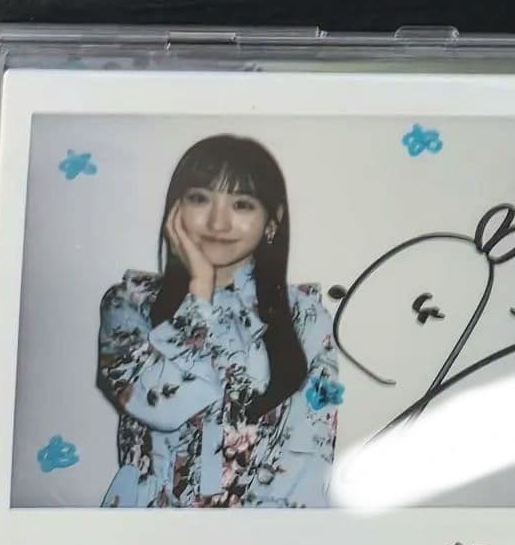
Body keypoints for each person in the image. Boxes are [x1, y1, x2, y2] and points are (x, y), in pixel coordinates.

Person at [97, 135, 339, 508]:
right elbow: (163, 407)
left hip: (263, 528)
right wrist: (199, 292)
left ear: (271, 221)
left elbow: (313, 450)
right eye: (200, 199)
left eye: (241, 204)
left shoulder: (307, 315)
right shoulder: (129, 304)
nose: (217, 222)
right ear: (176, 209)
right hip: (148, 522)